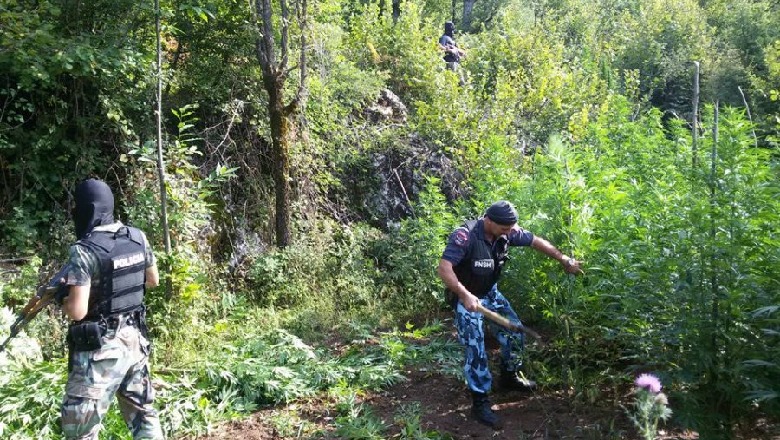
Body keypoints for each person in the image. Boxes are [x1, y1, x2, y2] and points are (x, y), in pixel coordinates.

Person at [437, 200, 582, 429]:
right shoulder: (464, 236)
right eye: (505, 228)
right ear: (489, 221)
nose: (510, 232)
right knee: (476, 348)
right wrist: (464, 294)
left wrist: (563, 259)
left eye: (512, 228)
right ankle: (480, 402)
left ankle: (509, 376)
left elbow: (535, 241)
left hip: (490, 293)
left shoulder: (507, 231)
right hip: (467, 297)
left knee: (514, 331)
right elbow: (444, 268)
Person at [58, 178, 165, 439]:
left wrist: (63, 297)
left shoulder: (84, 250)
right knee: (144, 416)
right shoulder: (137, 236)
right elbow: (153, 280)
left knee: (79, 430)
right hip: (135, 343)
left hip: (100, 354)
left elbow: (77, 312)